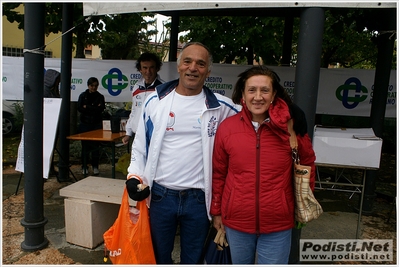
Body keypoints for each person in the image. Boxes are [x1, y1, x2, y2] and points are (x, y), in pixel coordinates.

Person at [125, 42, 241, 264]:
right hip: (160, 195)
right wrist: (134, 176)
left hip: (198, 199)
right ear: (178, 66)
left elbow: (256, 115)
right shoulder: (154, 101)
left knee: (193, 259)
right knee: (159, 257)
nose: (193, 68)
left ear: (208, 71)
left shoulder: (222, 106)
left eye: (200, 63)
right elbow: (140, 145)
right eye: (187, 61)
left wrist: (291, 122)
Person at [210, 66, 316, 264]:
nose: (258, 97)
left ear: (274, 94)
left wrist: (303, 202)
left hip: (278, 223)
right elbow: (219, 173)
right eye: (251, 90)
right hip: (237, 221)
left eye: (264, 90)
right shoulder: (227, 128)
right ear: (243, 93)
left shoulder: (290, 128)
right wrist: (216, 211)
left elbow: (308, 162)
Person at [122, 52, 164, 146]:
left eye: (151, 67)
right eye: (145, 68)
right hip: (137, 137)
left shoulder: (163, 89)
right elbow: (134, 111)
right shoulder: (137, 87)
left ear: (157, 68)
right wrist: (128, 133)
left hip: (155, 137)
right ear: (140, 69)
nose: (148, 71)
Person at [77, 77, 105, 175]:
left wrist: (87, 107)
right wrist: (93, 107)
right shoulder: (83, 96)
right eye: (92, 85)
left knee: (96, 147)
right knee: (85, 146)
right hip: (85, 124)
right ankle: (84, 166)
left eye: (95, 86)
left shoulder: (100, 96)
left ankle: (95, 166)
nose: (94, 88)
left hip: (96, 124)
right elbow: (80, 108)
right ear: (88, 86)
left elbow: (101, 109)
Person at [43, 69, 62, 180]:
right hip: (46, 124)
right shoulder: (44, 90)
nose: (58, 82)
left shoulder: (54, 90)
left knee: (51, 149)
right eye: (57, 80)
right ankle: (45, 169)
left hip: (54, 124)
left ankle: (49, 168)